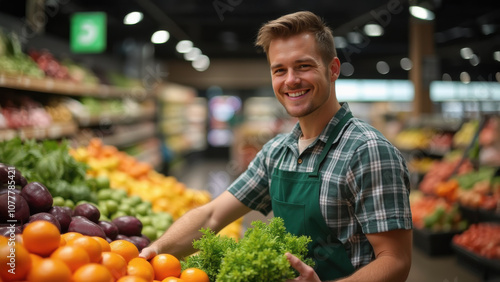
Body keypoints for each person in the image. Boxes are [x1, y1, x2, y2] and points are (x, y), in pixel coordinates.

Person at [140, 11, 413, 281]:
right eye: (279, 70)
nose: (291, 80)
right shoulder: (277, 151)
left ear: (332, 69)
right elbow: (211, 216)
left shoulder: (369, 151)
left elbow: (395, 260)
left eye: (303, 66)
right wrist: (154, 251)